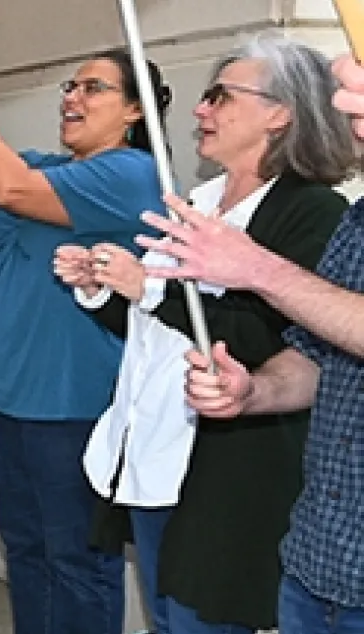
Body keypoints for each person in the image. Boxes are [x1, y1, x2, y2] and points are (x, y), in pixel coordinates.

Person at [53, 33, 352, 634]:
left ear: (280, 113)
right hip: (151, 450)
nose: (200, 109)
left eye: (221, 96)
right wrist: (108, 287)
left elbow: (280, 340)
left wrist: (152, 288)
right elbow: (161, 332)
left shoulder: (312, 211)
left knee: (197, 621)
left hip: (218, 470)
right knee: (167, 617)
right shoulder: (199, 200)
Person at [0, 44, 170, 634]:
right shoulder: (41, 171)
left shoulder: (131, 174)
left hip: (72, 404)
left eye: (94, 88)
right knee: (25, 550)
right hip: (8, 399)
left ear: (134, 112)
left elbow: (8, 191)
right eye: (70, 87)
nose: (73, 98)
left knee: (78, 561)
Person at [147, 52, 364, 634]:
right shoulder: (359, 222)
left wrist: (260, 271)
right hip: (320, 562)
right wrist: (256, 391)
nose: (345, 103)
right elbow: (319, 354)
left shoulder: (314, 209)